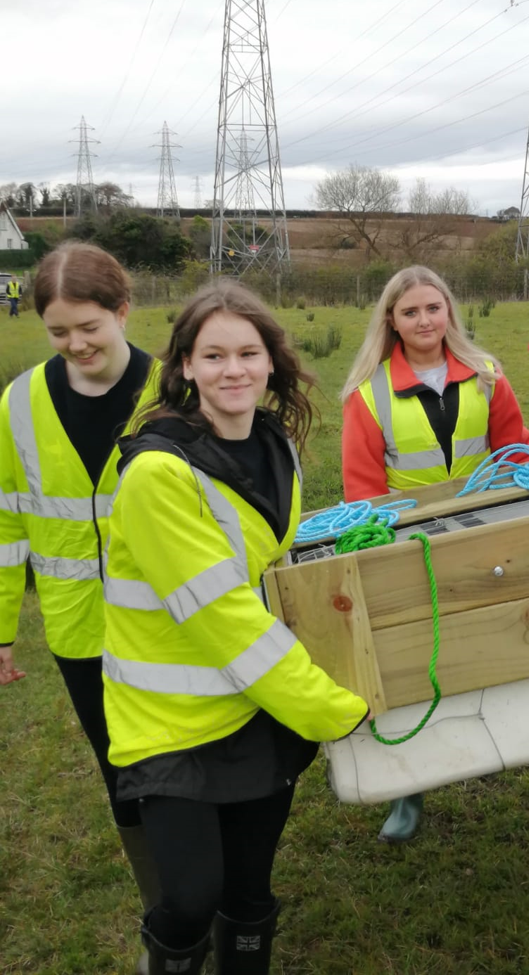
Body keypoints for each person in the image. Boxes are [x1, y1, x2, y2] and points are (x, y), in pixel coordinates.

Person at [102, 282, 369, 974]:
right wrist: (330, 707)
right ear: (185, 365)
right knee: (191, 896)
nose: (233, 369)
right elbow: (224, 617)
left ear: (271, 361)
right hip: (171, 720)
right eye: (213, 354)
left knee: (250, 888)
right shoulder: (157, 474)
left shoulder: (274, 444)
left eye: (248, 352)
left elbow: (272, 569)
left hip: (256, 704)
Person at [0, 243, 162, 975]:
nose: (76, 345)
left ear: (123, 310)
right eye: (58, 331)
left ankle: (208, 886)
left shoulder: (174, 388)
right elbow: (6, 523)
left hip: (174, 623)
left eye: (89, 325)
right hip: (77, 631)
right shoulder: (18, 403)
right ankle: (162, 905)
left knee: (183, 757)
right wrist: (2, 630)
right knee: (119, 767)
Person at [339, 265, 529, 842]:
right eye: (410, 312)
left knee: (490, 645)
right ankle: (407, 790)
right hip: (407, 547)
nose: (424, 320)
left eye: (433, 308)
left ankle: (493, 739)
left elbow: (517, 453)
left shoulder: (487, 375)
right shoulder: (367, 394)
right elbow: (362, 488)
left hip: (486, 535)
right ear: (391, 321)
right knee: (405, 667)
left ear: (449, 311)